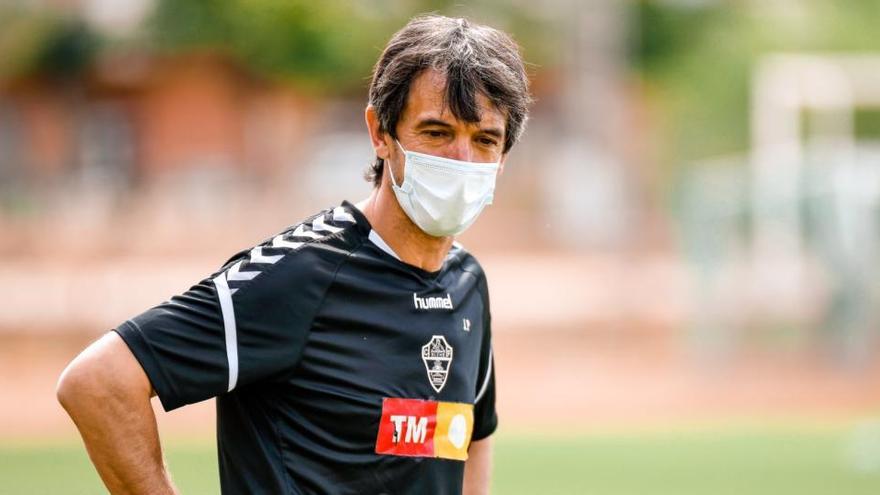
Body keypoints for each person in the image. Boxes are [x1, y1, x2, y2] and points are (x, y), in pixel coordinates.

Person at [56, 14, 531, 495]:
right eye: (436, 132)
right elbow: (98, 383)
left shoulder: (467, 282)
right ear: (380, 133)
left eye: (485, 140)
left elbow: (467, 436)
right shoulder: (301, 274)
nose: (462, 161)